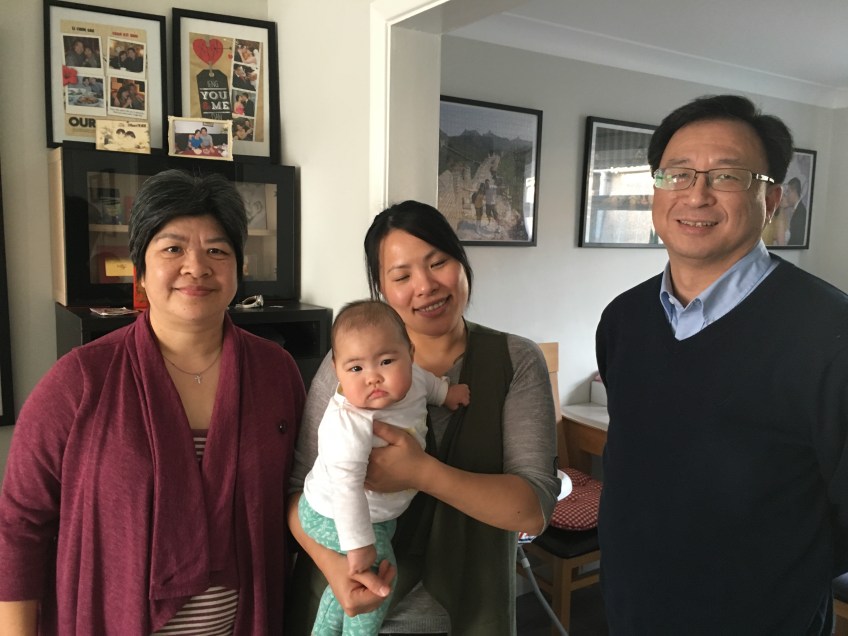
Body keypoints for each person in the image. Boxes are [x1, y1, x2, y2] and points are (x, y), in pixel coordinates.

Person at [0, 169, 305, 634]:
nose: (196, 267)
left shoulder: (276, 372)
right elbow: (21, 525)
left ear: (239, 269)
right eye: (172, 249)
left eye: (217, 250)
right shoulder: (80, 380)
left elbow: (301, 495)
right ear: (139, 270)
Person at [595, 94, 848, 634]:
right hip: (633, 611)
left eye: (728, 176)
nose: (697, 194)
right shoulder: (623, 319)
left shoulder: (831, 333)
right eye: (678, 174)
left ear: (771, 198)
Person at [286, 200, 560, 635]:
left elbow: (533, 510)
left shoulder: (515, 360)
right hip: (344, 608)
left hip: (466, 617)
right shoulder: (348, 368)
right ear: (381, 288)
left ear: (462, 263)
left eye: (438, 263)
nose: (426, 286)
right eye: (402, 276)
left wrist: (421, 472)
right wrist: (337, 569)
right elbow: (299, 491)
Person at [300, 300, 470, 634]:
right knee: (376, 582)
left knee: (348, 586)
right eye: (356, 369)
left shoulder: (414, 377)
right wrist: (358, 544)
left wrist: (446, 393)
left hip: (377, 515)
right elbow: (346, 488)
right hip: (332, 513)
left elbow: (427, 384)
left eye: (386, 361)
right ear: (336, 370)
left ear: (410, 353)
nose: (373, 377)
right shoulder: (348, 422)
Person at [784, 177, 808, 245]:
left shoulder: (800, 212)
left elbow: (797, 240)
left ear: (794, 192)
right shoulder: (799, 209)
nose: (787, 196)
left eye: (788, 192)